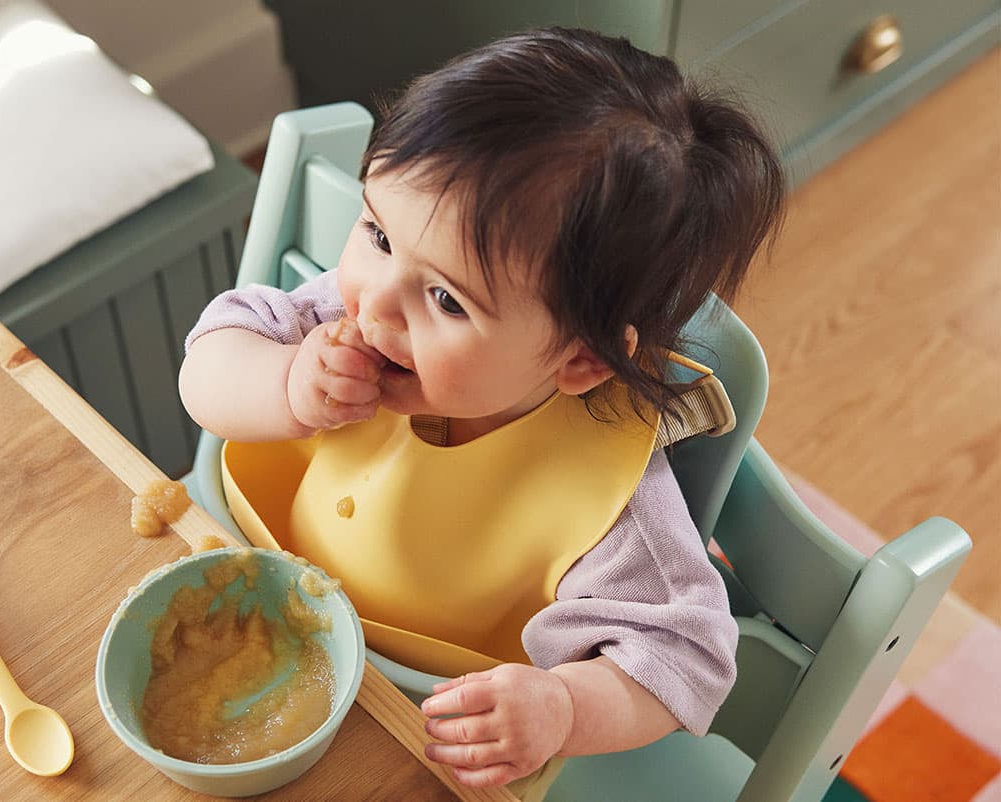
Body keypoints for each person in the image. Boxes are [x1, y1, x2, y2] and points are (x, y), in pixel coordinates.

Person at [179, 26, 784, 798]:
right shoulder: (343, 314)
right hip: (249, 601)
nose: (376, 302)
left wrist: (564, 707)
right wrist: (286, 385)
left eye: (445, 299)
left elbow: (687, 659)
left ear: (579, 360)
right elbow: (210, 358)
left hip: (420, 732)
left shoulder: (608, 501)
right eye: (376, 232)